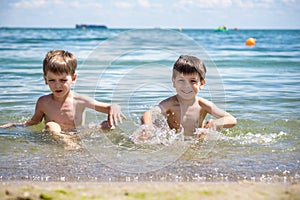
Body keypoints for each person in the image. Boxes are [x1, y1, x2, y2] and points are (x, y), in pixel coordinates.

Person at [0, 50, 126, 148]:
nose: (57, 85)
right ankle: (67, 143)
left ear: (74, 78)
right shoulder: (43, 102)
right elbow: (34, 122)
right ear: (45, 80)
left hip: (79, 135)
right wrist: (13, 125)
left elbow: (108, 108)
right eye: (52, 80)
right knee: (51, 125)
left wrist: (115, 108)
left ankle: (72, 143)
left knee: (108, 126)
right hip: (55, 137)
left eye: (63, 80)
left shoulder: (80, 100)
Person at [141, 55, 236, 137]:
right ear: (174, 82)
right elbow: (147, 114)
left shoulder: (202, 105)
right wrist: (148, 128)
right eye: (181, 81)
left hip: (195, 143)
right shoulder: (170, 104)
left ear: (201, 84)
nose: (187, 86)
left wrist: (216, 123)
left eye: (193, 81)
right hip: (175, 143)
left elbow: (231, 119)